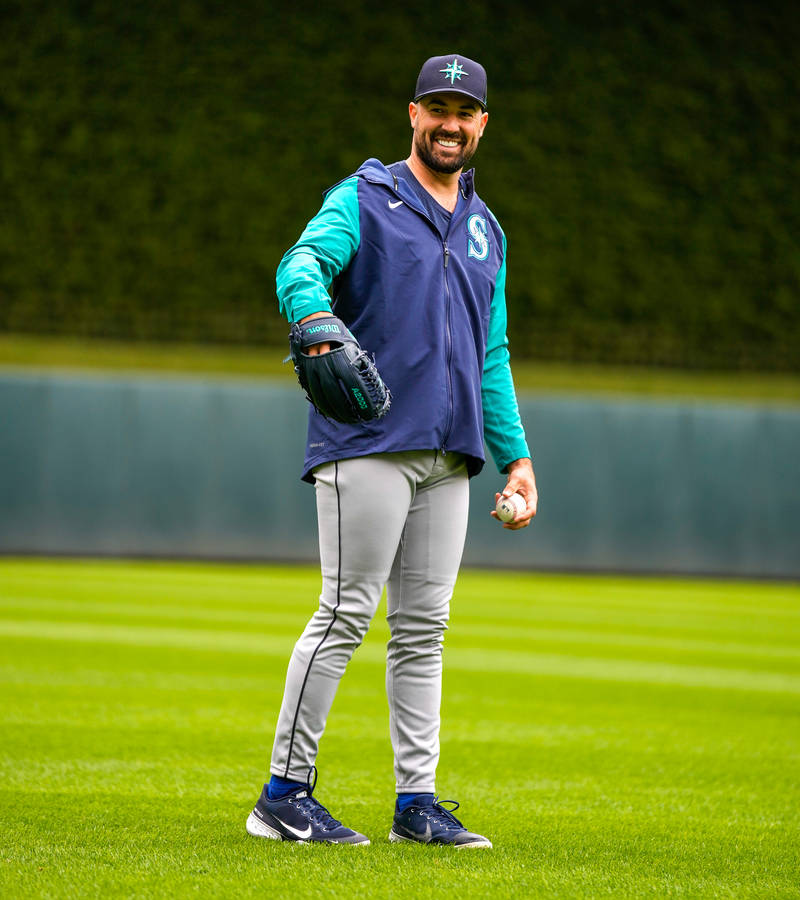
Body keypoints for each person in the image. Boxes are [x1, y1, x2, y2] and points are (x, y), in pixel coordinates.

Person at [246, 53, 537, 849]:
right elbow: (301, 262)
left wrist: (514, 455)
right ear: (412, 113)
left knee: (423, 629)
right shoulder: (365, 198)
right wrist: (311, 316)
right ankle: (283, 793)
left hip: (450, 456)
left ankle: (417, 804)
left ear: (482, 124)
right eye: (436, 107)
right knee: (344, 612)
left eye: (464, 110)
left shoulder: (486, 229)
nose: (449, 123)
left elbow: (492, 350)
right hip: (366, 443)